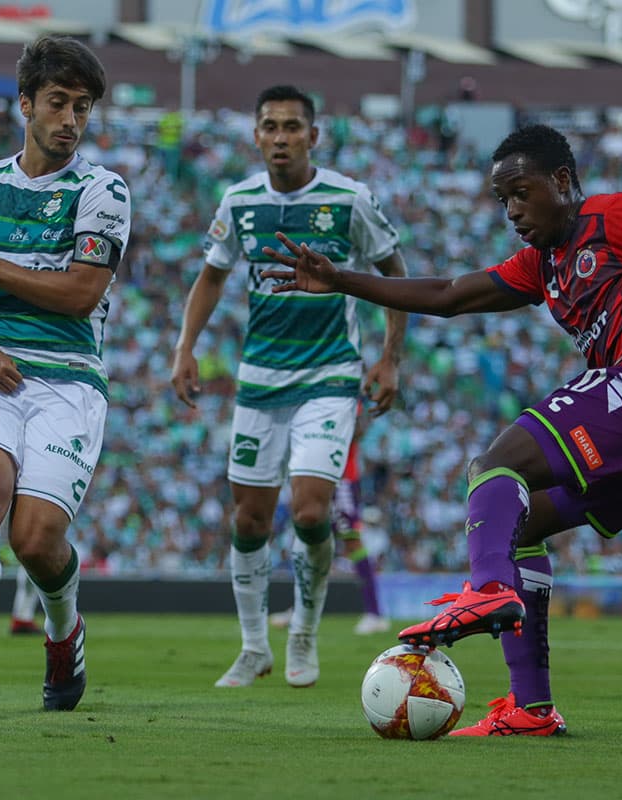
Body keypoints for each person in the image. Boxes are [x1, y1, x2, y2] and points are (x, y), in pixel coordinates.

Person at [262, 123, 622, 735]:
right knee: (523, 523)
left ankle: (487, 589)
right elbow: (451, 294)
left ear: (562, 181)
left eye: (521, 193)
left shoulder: (618, 216)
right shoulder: (542, 263)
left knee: (494, 465)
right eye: (503, 200)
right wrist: (343, 280)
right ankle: (532, 709)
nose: (512, 211)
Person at [171, 85, 409, 689]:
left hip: (329, 375)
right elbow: (210, 278)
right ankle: (254, 646)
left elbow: (395, 272)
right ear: (256, 136)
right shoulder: (240, 201)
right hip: (259, 381)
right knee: (248, 519)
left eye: (292, 127)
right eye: (270, 126)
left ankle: (304, 630)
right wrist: (185, 348)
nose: (281, 137)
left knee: (310, 508)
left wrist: (390, 359)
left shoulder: (348, 199)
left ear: (313, 136)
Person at [0, 34, 131, 711]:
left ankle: (65, 632)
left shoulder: (102, 190)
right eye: (59, 104)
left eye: (84, 108)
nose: (71, 120)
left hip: (69, 380)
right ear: (25, 105)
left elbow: (79, 295)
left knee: (36, 539)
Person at [270, 403, 390, 635]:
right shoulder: (320, 396)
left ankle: (375, 613)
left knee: (352, 541)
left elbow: (359, 428)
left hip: (342, 480)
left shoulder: (346, 396)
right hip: (319, 476)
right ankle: (300, 610)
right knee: (312, 541)